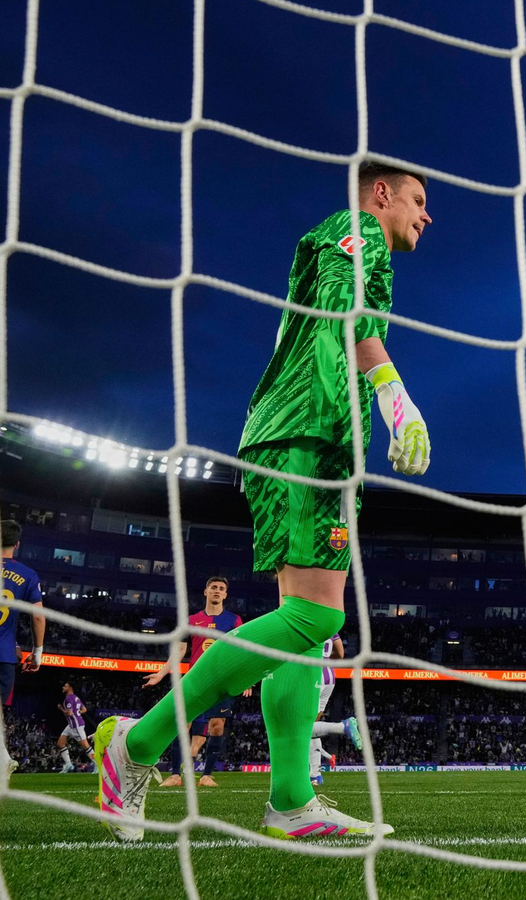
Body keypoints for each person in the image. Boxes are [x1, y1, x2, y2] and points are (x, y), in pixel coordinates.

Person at [95, 161, 433, 842]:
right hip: (306, 431)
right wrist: (395, 397)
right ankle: (138, 743)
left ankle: (290, 800)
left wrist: (382, 406)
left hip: (323, 440)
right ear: (381, 193)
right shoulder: (358, 230)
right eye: (419, 200)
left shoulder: (362, 250)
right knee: (316, 617)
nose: (426, 216)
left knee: (307, 633)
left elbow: (347, 323)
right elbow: (341, 303)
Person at [143, 576, 248, 788]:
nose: (217, 590)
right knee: (182, 724)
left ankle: (206, 776)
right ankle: (175, 775)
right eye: (213, 587)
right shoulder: (191, 620)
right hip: (195, 679)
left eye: (221, 588)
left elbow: (241, 651)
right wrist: (162, 673)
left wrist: (246, 679)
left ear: (225, 594)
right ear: (206, 591)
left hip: (221, 680)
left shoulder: (234, 620)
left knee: (217, 726)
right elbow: (180, 650)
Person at [1, 519, 46, 781]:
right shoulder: (27, 574)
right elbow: (38, 616)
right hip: (4, 656)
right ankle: (3, 758)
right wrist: (36, 653)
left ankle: (3, 758)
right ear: (16, 544)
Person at [310, 633, 363, 786]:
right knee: (312, 726)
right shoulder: (331, 625)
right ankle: (315, 775)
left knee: (302, 726)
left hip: (313, 674)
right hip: (329, 675)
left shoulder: (307, 621)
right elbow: (340, 653)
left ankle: (342, 726)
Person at [56, 683, 94, 773]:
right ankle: (68, 764)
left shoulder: (68, 699)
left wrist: (61, 708)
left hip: (76, 726)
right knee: (60, 744)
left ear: (70, 688)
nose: (63, 687)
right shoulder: (76, 697)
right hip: (71, 725)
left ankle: (96, 763)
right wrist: (77, 713)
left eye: (65, 686)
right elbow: (84, 709)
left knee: (86, 746)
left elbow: (69, 713)